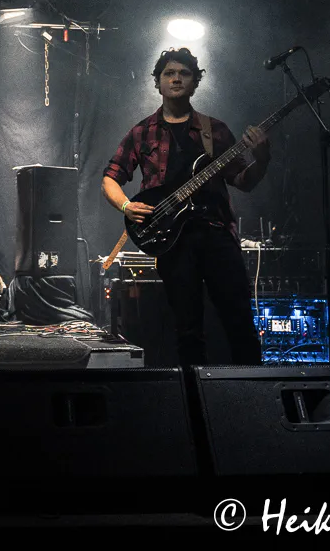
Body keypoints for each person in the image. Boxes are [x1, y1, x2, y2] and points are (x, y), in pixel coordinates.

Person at [101, 47, 270, 367]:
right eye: (169, 73)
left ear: (195, 82)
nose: (176, 78)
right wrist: (126, 206)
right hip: (172, 241)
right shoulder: (142, 132)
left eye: (184, 73)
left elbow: (243, 180)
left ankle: (252, 389)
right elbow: (110, 177)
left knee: (240, 322)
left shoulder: (214, 130)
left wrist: (262, 159)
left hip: (217, 233)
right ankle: (193, 393)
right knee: (187, 330)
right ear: (158, 82)